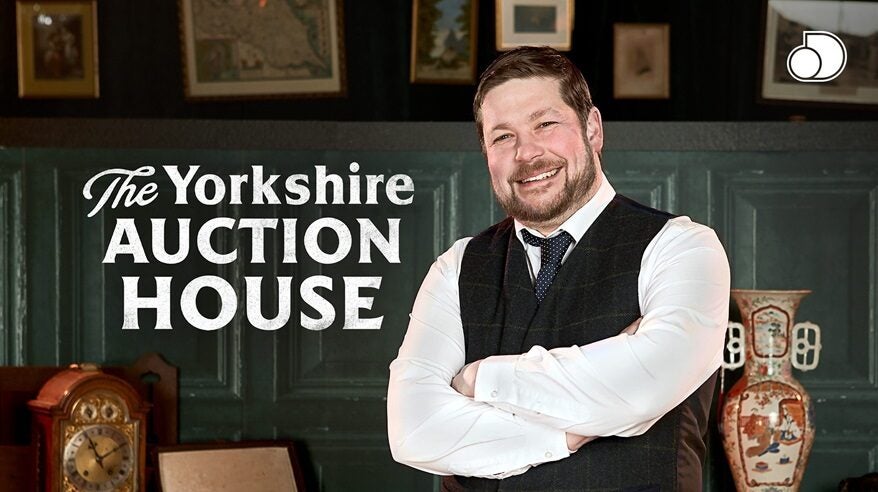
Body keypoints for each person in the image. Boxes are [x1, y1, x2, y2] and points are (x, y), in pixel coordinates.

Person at [387, 46, 730, 491]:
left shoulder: (682, 248)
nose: (527, 153)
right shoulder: (455, 268)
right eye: (502, 137)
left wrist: (478, 379)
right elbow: (413, 431)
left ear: (592, 128)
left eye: (545, 124)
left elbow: (642, 386)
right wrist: (570, 433)